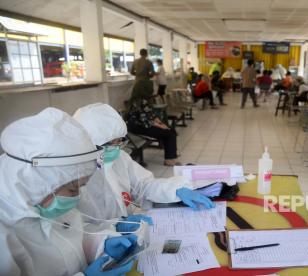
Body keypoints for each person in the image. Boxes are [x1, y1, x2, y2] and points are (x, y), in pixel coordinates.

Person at [0, 107, 137, 275]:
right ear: (37, 183)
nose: (77, 196)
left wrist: (102, 242)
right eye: (73, 189)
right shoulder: (5, 230)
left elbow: (70, 239)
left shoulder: (42, 201)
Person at [74, 103, 214, 228]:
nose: (116, 148)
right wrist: (112, 228)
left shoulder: (119, 158)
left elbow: (144, 185)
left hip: (131, 234)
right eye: (109, 144)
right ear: (88, 143)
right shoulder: (73, 176)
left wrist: (175, 190)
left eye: (119, 142)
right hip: (98, 249)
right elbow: (75, 230)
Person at [126, 86, 181, 166]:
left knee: (171, 129)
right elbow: (145, 121)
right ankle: (169, 159)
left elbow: (152, 115)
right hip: (138, 128)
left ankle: (172, 153)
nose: (152, 90)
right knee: (169, 133)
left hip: (144, 125)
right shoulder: (139, 102)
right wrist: (161, 126)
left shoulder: (145, 100)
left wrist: (162, 124)